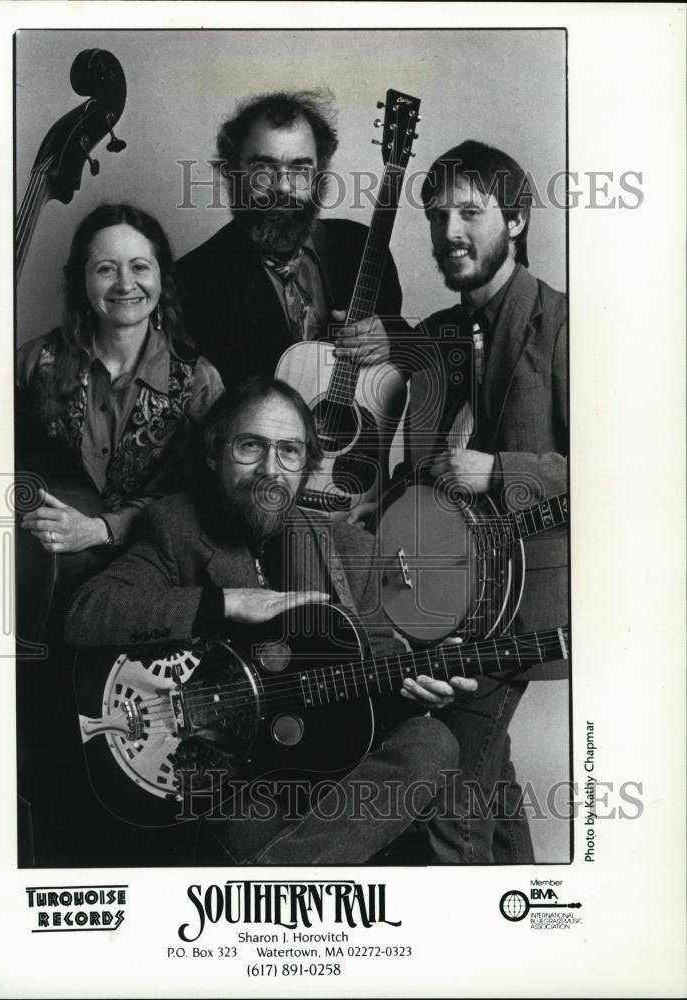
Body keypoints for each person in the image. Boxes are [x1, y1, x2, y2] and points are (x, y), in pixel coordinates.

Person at [66, 376, 477, 864]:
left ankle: (277, 872)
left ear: (306, 466)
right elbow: (87, 613)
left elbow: (377, 664)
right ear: (215, 453)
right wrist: (224, 603)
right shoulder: (178, 528)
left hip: (331, 765)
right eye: (250, 446)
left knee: (433, 742)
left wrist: (418, 683)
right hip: (241, 776)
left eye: (289, 451)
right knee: (248, 824)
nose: (270, 469)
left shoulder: (352, 550)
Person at [372, 140, 568, 864]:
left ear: (515, 220)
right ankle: (531, 912)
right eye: (435, 216)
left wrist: (501, 471)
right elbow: (419, 478)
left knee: (450, 818)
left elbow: (630, 478)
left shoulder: (566, 325)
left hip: (526, 611)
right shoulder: (433, 339)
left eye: (469, 212)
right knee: (487, 793)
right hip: (444, 605)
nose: (447, 232)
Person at [17, 203, 223, 559]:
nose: (125, 284)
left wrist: (102, 530)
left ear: (161, 277)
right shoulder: (34, 360)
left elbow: (203, 495)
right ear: (82, 279)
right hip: (43, 562)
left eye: (140, 267)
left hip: (151, 563)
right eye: (106, 269)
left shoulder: (199, 381)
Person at [174, 90, 403, 386]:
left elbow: (404, 372)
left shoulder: (362, 248)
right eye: (263, 169)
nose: (282, 187)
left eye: (299, 169)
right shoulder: (190, 283)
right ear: (231, 172)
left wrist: (393, 340)